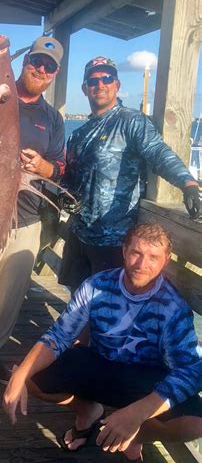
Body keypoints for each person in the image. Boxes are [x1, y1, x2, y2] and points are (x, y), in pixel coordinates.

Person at [4, 222, 202, 463]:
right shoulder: (96, 285)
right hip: (98, 362)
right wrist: (20, 376)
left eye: (154, 257)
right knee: (27, 374)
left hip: (144, 381)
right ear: (123, 250)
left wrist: (138, 414)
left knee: (195, 422)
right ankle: (89, 411)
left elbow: (191, 371)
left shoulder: (174, 308)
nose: (142, 263)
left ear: (166, 260)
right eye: (136, 253)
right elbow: (60, 335)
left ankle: (132, 437)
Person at [58, 56, 200, 293]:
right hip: (79, 234)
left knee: (107, 308)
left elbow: (157, 152)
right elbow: (71, 177)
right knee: (77, 303)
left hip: (113, 242)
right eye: (93, 80)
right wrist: (63, 193)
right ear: (85, 89)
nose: (100, 85)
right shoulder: (78, 134)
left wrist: (187, 182)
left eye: (107, 78)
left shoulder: (131, 122)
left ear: (117, 85)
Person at [0, 37, 66, 383]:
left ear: (55, 74)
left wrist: (43, 166)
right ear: (25, 61)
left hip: (27, 218)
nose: (41, 69)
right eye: (36, 61)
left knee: (7, 298)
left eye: (49, 66)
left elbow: (60, 167)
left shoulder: (52, 119)